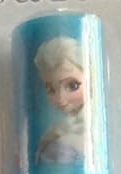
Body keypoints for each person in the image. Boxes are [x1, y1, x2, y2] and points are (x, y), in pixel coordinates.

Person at [34, 36, 87, 164]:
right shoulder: (60, 134)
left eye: (73, 86)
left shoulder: (63, 144)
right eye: (51, 89)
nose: (61, 100)